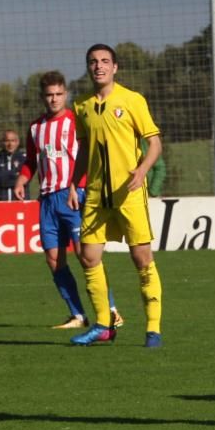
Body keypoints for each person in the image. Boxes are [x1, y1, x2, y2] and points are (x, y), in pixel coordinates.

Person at [67, 44, 164, 347]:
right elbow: (84, 149)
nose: (99, 66)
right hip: (96, 195)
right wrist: (73, 183)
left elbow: (155, 143)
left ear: (115, 67)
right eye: (93, 62)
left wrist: (142, 169)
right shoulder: (81, 105)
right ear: (89, 67)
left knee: (141, 258)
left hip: (129, 193)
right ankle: (103, 325)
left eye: (105, 61)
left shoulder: (132, 100)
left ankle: (153, 328)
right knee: (88, 256)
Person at [13, 71, 123, 330]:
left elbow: (90, 154)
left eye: (58, 94)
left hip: (73, 194)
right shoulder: (35, 128)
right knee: (53, 259)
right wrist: (22, 179)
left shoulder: (77, 121)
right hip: (48, 200)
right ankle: (78, 315)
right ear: (42, 97)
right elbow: (31, 161)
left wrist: (80, 186)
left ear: (66, 94)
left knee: (87, 256)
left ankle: (111, 310)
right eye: (49, 95)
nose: (54, 99)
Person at [0, 130, 27, 201]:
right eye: (7, 141)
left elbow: (26, 178)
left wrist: (4, 175)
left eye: (13, 140)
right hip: (0, 204)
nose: (10, 144)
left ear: (17, 142)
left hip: (21, 203)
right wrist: (16, 175)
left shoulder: (25, 159)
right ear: (2, 142)